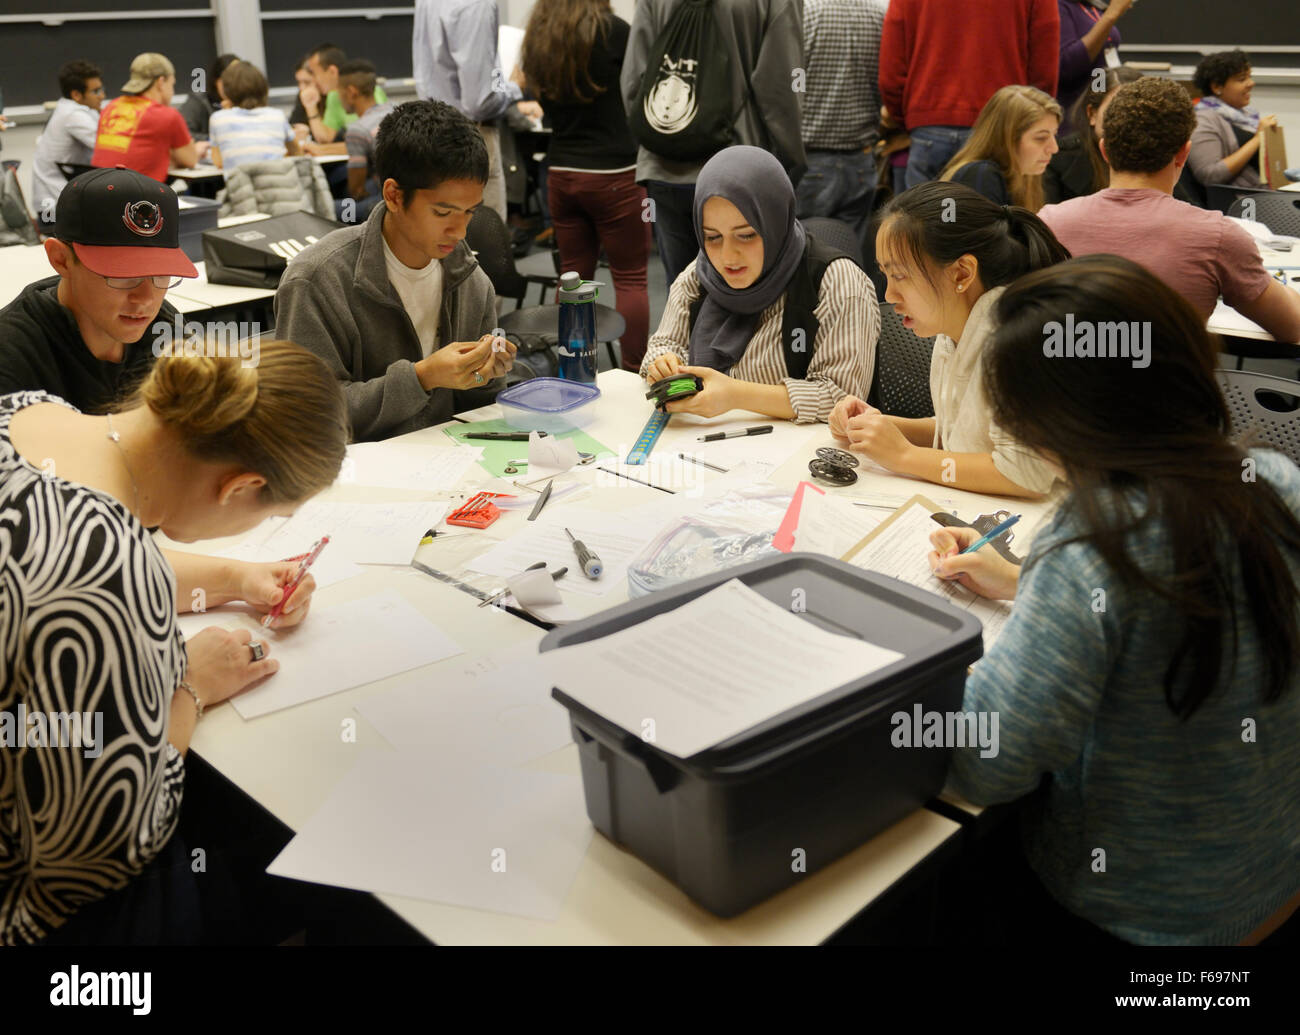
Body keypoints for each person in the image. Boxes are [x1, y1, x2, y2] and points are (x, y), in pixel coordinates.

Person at [927, 255, 1300, 945]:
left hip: (1141, 918)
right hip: (1272, 877)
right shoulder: (1275, 481)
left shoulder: (1091, 545)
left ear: (1053, 425)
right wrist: (1020, 582)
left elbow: (987, 761)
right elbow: (1183, 595)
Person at [0, 341, 348, 945]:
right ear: (239, 487)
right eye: (270, 516)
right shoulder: (102, 572)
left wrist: (232, 578)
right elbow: (97, 856)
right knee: (283, 855)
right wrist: (188, 686)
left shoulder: (32, 415)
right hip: (36, 919)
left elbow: (67, 545)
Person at [275, 100, 516, 441]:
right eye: (443, 213)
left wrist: (486, 374)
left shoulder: (471, 282)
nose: (460, 232)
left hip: (448, 468)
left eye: (470, 212)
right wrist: (420, 379)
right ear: (394, 196)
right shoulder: (317, 281)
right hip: (354, 477)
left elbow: (478, 406)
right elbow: (309, 415)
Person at [829, 181, 1066, 497]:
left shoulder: (1018, 338)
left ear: (962, 274)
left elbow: (1025, 473)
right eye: (885, 275)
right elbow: (961, 434)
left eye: (900, 275)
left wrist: (903, 455)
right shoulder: (956, 327)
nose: (889, 294)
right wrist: (877, 429)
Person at [1039, 76, 1300, 344]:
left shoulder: (1045, 225)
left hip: (1066, 382)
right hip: (1169, 385)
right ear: (1183, 153)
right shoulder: (1218, 237)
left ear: (1104, 150)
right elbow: (1293, 327)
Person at [639, 146, 878, 424]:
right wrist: (663, 364)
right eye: (713, 237)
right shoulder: (701, 274)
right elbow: (662, 345)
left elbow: (842, 398)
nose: (728, 257)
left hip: (800, 454)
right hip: (709, 444)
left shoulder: (837, 283)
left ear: (775, 223)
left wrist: (736, 395)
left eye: (746, 235)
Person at [621, 0, 805, 288]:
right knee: (745, 294)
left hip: (664, 167)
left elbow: (632, 80)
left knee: (683, 293)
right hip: (740, 169)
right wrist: (791, 159)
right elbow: (779, 85)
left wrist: (656, 139)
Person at [519, 0, 649, 372]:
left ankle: (574, 370)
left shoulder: (539, 37)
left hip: (560, 173)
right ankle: (633, 373)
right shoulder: (615, 31)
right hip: (616, 173)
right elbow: (640, 93)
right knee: (631, 279)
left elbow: (537, 98)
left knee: (573, 277)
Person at [0, 167, 195, 412]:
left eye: (160, 274)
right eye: (123, 275)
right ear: (61, 259)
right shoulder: (13, 357)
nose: (145, 299)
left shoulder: (169, 333)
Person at [880, 0, 1060, 189]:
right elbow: (1044, 64)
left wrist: (909, 119)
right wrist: (1032, 119)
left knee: (923, 216)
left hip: (931, 122)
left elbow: (891, 70)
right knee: (994, 214)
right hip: (1004, 126)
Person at [413, 2, 543, 223]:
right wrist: (514, 88)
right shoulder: (476, 5)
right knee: (484, 245)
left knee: (446, 240)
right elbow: (480, 102)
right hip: (471, 138)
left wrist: (503, 87)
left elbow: (486, 74)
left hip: (434, 131)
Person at [797, 0, 888, 255]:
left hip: (811, 159)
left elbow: (789, 82)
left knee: (805, 252)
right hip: (861, 158)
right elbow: (887, 79)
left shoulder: (806, 13)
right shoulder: (878, 15)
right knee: (848, 252)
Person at [940, 86, 1062, 211]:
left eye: (1055, 135)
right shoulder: (981, 175)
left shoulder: (1025, 176)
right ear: (1006, 138)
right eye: (1041, 138)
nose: (1054, 148)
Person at [90, 53, 197, 181]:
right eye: (172, 84)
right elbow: (190, 161)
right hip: (139, 198)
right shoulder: (167, 115)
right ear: (161, 82)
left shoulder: (111, 107)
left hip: (98, 193)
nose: (172, 91)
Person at [1043, 66, 1141, 204]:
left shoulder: (1162, 155)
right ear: (1092, 113)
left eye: (1137, 114)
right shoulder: (1057, 158)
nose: (1127, 122)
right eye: (1115, 112)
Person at [1188, 49, 1274, 191]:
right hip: (1241, 204)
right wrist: (1258, 138)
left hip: (1262, 195)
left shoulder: (1247, 116)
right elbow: (1209, 175)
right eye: (1242, 79)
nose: (1251, 83)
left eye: (1249, 77)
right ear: (1217, 87)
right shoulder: (1203, 120)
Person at [30, 60, 105, 223]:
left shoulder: (69, 108)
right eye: (96, 91)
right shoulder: (74, 115)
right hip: (53, 209)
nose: (102, 96)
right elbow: (108, 147)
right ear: (76, 95)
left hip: (54, 200)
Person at [207, 61, 300, 171]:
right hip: (280, 184)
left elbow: (219, 161)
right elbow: (297, 153)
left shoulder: (218, 119)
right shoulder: (277, 116)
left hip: (241, 186)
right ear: (264, 87)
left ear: (226, 92)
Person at [299, 43, 390, 151]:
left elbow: (375, 141)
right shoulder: (333, 96)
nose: (312, 81)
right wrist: (310, 106)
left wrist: (322, 151)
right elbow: (325, 139)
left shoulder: (370, 90)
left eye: (314, 73)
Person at [337, 59, 394, 222]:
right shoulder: (395, 109)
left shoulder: (357, 130)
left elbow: (357, 190)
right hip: (409, 192)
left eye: (339, 93)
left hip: (384, 201)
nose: (339, 99)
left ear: (351, 92)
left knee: (327, 210)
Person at [1056, 0, 1132, 116]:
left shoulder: (1091, 6)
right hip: (1074, 113)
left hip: (1099, 99)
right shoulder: (1059, 6)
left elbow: (1099, 67)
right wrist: (1111, 15)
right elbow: (1068, 66)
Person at [179, 52, 239, 141]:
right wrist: (215, 140)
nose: (233, 86)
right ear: (216, 81)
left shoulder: (247, 101)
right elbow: (183, 133)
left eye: (238, 81)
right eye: (227, 82)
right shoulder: (198, 101)